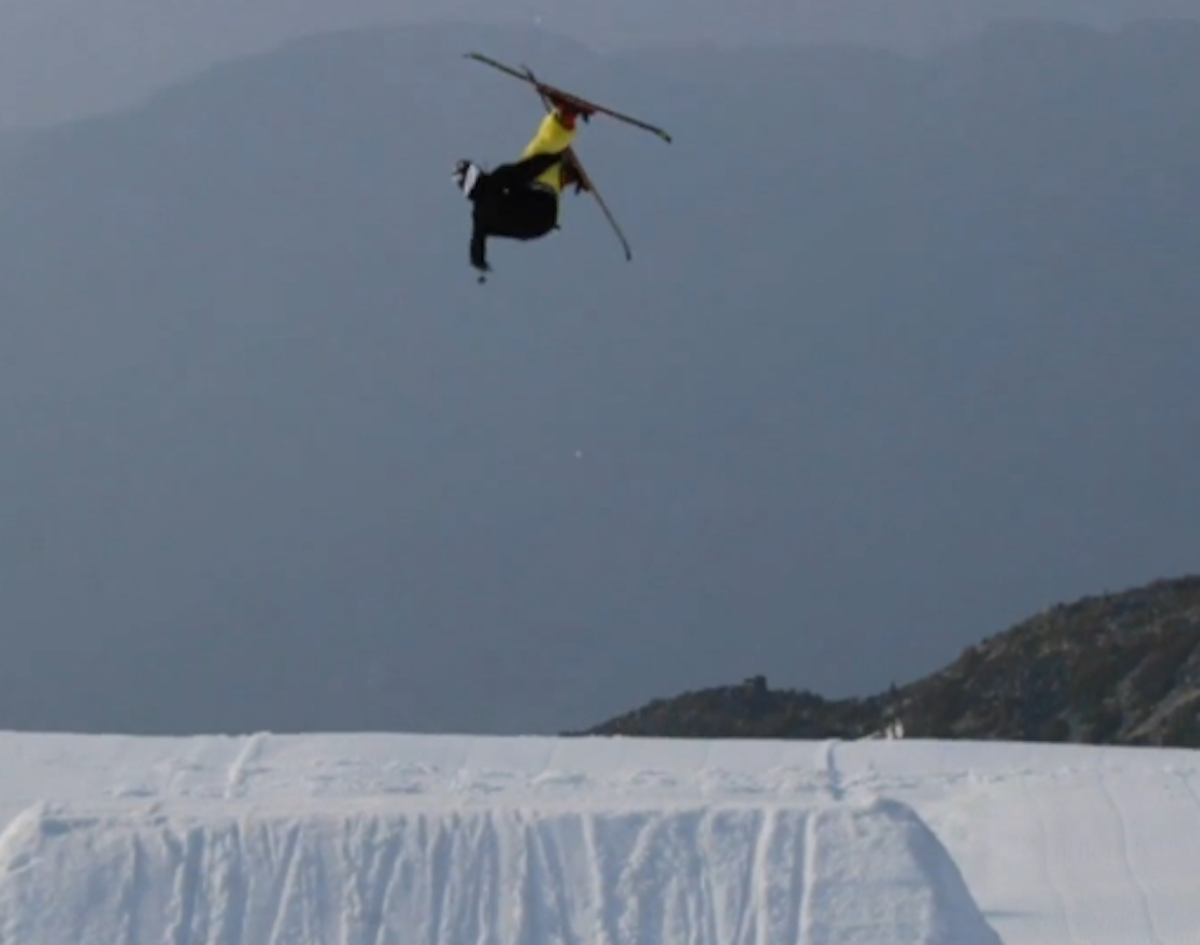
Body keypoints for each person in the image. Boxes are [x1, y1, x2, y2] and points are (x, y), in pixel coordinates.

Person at [453, 96, 594, 277]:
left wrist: (478, 262)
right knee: (537, 150)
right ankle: (566, 116)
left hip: (542, 224)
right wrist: (553, 157)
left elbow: (476, 242)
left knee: (538, 183)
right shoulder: (495, 181)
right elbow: (526, 170)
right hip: (538, 204)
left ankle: (566, 176)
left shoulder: (479, 216)